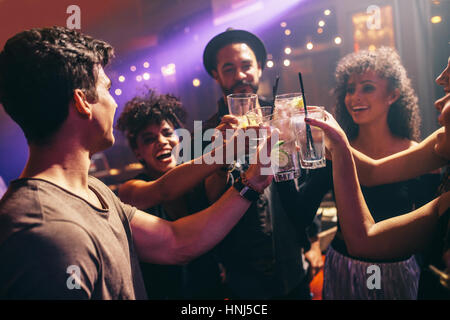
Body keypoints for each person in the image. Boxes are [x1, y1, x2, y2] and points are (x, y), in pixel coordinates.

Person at [0, 26, 272, 299]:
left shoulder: (94, 191)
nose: (114, 102)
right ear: (82, 101)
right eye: (107, 88)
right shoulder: (41, 231)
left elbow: (177, 242)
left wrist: (252, 182)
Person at [196, 28, 327, 299]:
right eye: (229, 68)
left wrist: (313, 242)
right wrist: (222, 153)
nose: (240, 75)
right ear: (216, 75)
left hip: (294, 269)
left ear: (259, 68)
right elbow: (207, 203)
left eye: (246, 66)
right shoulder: (206, 132)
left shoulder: (282, 115)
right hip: (243, 279)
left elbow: (300, 180)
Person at [305, 56, 450, 299]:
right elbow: (372, 172)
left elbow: (366, 240)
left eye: (448, 94)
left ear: (393, 95)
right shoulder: (439, 149)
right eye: (351, 89)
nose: (437, 102)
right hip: (344, 264)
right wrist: (336, 143)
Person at [116, 91, 225, 299]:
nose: (162, 141)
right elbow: (164, 190)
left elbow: (217, 195)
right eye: (149, 139)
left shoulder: (197, 178)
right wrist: (224, 152)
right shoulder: (130, 189)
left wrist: (224, 151)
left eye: (167, 133)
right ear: (138, 152)